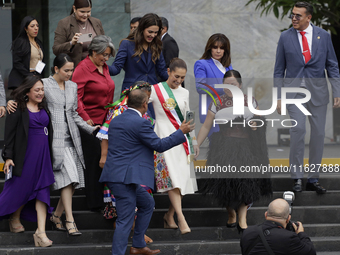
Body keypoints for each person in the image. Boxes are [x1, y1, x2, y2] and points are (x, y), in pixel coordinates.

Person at [99, 89, 194, 255]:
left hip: (120, 176)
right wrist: (181, 132)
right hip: (125, 178)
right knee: (125, 220)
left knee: (147, 203)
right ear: (145, 104)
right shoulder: (140, 122)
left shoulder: (116, 120)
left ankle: (138, 245)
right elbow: (159, 145)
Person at [274, 1, 340, 194]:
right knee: (298, 131)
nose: (293, 18)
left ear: (308, 17)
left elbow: (332, 65)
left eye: (298, 15)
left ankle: (313, 178)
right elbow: (279, 70)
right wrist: (279, 97)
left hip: (318, 93)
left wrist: (337, 91)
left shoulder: (323, 36)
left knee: (319, 135)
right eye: (292, 15)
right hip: (294, 94)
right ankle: (296, 177)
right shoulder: (285, 37)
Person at [196, 70, 272, 233]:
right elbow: (206, 126)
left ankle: (242, 219)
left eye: (233, 84)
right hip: (224, 147)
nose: (230, 87)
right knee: (226, 184)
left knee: (246, 183)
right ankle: (231, 214)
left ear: (240, 85)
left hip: (246, 147)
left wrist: (255, 124)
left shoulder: (250, 101)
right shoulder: (217, 102)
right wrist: (196, 144)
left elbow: (260, 121)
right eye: (227, 84)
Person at [0, 76, 54, 247]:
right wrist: (8, 157)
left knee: (42, 191)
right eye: (37, 90)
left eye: (42, 89)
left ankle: (41, 232)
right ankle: (14, 216)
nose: (40, 93)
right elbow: (9, 135)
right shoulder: (17, 108)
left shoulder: (45, 107)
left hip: (43, 157)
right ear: (28, 91)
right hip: (25, 158)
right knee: (17, 191)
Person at [97, 81, 154, 244]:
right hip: (122, 164)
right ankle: (133, 233)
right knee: (126, 205)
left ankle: (137, 236)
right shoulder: (120, 110)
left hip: (136, 163)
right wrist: (104, 155)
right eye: (146, 98)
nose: (147, 101)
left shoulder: (142, 112)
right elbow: (106, 132)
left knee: (144, 200)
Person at [150, 58, 198, 234]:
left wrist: (193, 141)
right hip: (163, 138)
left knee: (183, 181)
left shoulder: (184, 92)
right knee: (172, 179)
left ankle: (169, 215)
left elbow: (188, 118)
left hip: (182, 141)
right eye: (176, 76)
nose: (178, 80)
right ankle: (181, 217)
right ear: (168, 71)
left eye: (182, 77)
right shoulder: (156, 90)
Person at [72, 35, 115, 211]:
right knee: (96, 159)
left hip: (105, 121)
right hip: (89, 122)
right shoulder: (82, 69)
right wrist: (85, 117)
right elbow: (75, 97)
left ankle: (104, 198)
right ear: (93, 51)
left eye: (108, 55)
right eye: (103, 54)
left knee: (105, 159)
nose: (105, 59)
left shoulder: (104, 68)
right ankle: (95, 202)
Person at [109, 13, 168, 92]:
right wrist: (98, 64)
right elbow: (116, 69)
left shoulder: (156, 46)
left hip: (151, 92)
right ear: (142, 29)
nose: (153, 35)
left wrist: (175, 77)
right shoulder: (126, 44)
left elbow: (162, 71)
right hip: (132, 92)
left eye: (155, 32)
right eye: (150, 32)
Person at [240, 198, 316, 255]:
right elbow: (311, 252)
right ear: (288, 219)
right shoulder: (289, 237)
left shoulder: (247, 232)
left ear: (266, 214)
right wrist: (301, 233)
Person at [194, 33, 233, 135]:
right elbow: (200, 88)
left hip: (228, 111)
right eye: (215, 47)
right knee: (216, 147)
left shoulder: (228, 66)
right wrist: (223, 87)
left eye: (222, 48)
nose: (218, 51)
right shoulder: (202, 64)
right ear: (210, 48)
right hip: (211, 112)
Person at [52, 0, 105, 68]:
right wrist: (71, 43)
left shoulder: (96, 22)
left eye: (88, 11)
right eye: (82, 12)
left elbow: (104, 43)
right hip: (76, 69)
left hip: (96, 67)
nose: (85, 15)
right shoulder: (64, 23)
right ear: (74, 8)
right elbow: (56, 50)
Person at [8, 16, 44, 90]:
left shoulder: (39, 42)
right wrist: (29, 75)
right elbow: (17, 62)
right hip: (22, 80)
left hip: (35, 78)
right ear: (25, 28)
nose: (36, 28)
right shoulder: (20, 42)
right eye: (32, 26)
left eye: (37, 26)